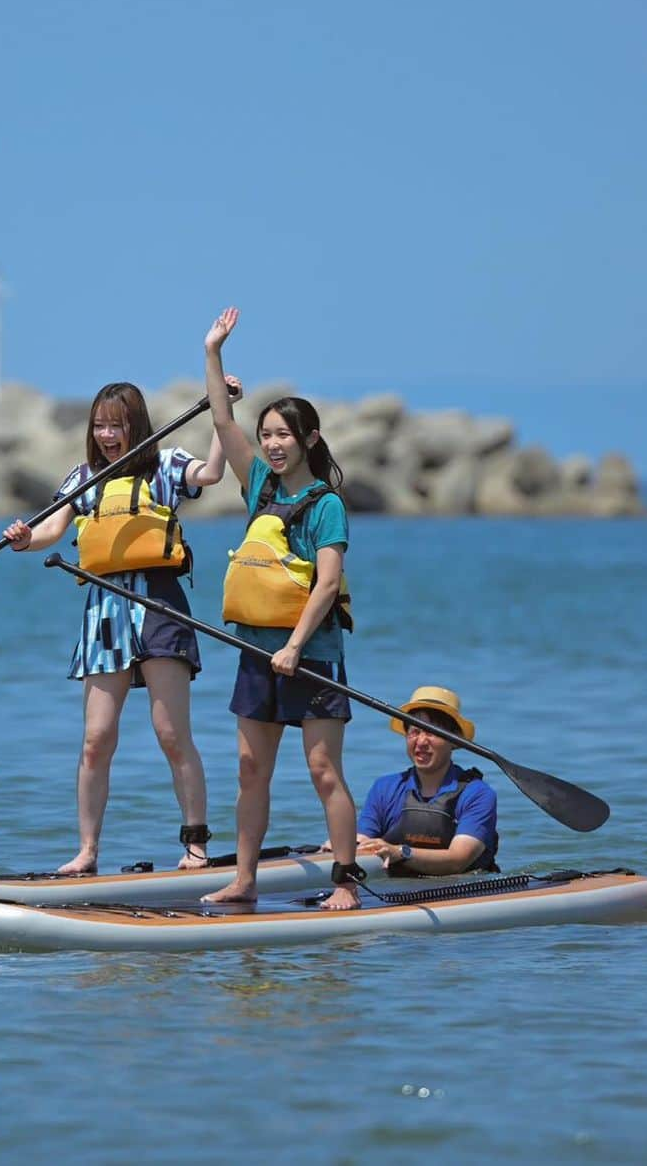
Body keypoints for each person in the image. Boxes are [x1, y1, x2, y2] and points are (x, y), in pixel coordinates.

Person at [3, 378, 240, 875]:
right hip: (105, 614)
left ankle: (196, 845)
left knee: (171, 734)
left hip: (159, 608)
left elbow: (214, 473)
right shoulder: (85, 477)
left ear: (138, 426)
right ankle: (87, 852)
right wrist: (25, 539)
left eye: (118, 425)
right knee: (96, 739)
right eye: (100, 425)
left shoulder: (166, 465)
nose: (108, 435)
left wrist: (223, 409)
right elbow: (51, 528)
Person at [200, 306, 363, 910]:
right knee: (249, 770)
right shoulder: (258, 487)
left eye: (282, 435)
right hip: (254, 652)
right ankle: (244, 879)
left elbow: (326, 586)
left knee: (323, 770)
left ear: (309, 440)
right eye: (266, 435)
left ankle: (346, 881)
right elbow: (221, 419)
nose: (270, 444)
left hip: (310, 655)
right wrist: (212, 353)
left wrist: (295, 646)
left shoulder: (327, 505)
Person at [355, 686, 499, 876]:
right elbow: (362, 840)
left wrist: (400, 852)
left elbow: (458, 860)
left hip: (461, 892)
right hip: (397, 890)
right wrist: (343, 847)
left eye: (432, 732)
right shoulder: (385, 788)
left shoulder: (478, 794)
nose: (421, 742)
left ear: (455, 741)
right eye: (415, 731)